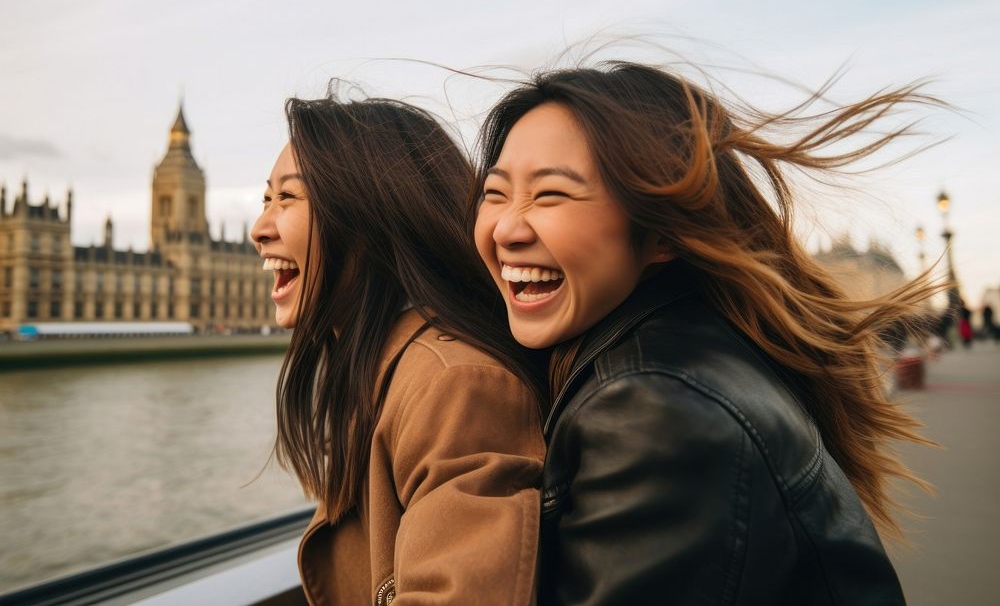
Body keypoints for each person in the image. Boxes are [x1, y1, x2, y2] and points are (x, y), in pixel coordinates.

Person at [474, 62, 935, 605]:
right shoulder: (685, 355)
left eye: (551, 195)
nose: (507, 227)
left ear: (663, 235)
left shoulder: (652, 404)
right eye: (495, 193)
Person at [251, 95, 547, 605]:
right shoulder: (382, 373)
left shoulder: (454, 384)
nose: (260, 229)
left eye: (287, 199)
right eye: (265, 201)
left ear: (366, 216)